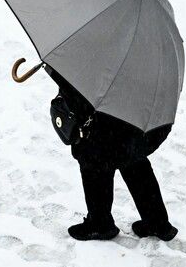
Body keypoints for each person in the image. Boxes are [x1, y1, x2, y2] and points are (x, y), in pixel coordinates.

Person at [47, 66, 177, 242]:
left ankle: (100, 224)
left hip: (105, 121)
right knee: (134, 162)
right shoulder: (147, 51)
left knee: (94, 163)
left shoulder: (100, 46)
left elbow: (80, 83)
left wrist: (55, 70)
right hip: (134, 118)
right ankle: (157, 222)